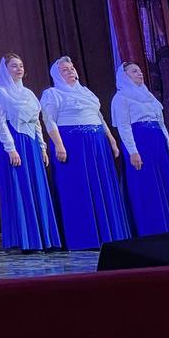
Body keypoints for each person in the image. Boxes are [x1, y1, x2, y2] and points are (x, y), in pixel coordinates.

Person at [40, 56, 129, 249]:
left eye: (72, 68)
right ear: (57, 75)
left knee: (101, 185)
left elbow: (99, 117)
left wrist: (111, 140)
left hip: (97, 143)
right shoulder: (52, 94)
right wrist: (59, 145)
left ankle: (108, 235)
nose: (70, 71)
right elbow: (49, 120)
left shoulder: (87, 92)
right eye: (65, 70)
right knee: (78, 187)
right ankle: (83, 237)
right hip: (73, 144)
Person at [0, 54, 60, 252]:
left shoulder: (28, 93)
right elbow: (0, 122)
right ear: (5, 69)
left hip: (31, 144)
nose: (19, 69)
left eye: (21, 65)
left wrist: (42, 147)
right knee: (20, 187)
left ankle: (43, 238)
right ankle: (25, 239)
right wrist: (10, 148)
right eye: (14, 66)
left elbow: (37, 122)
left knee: (37, 185)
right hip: (14, 142)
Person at [111, 62, 169, 235]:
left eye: (139, 70)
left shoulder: (149, 96)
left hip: (157, 142)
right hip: (139, 143)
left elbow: (161, 123)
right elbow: (124, 126)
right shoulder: (121, 98)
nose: (140, 73)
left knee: (165, 182)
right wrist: (133, 151)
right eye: (134, 71)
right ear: (124, 76)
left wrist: (168, 147)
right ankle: (152, 228)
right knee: (146, 184)